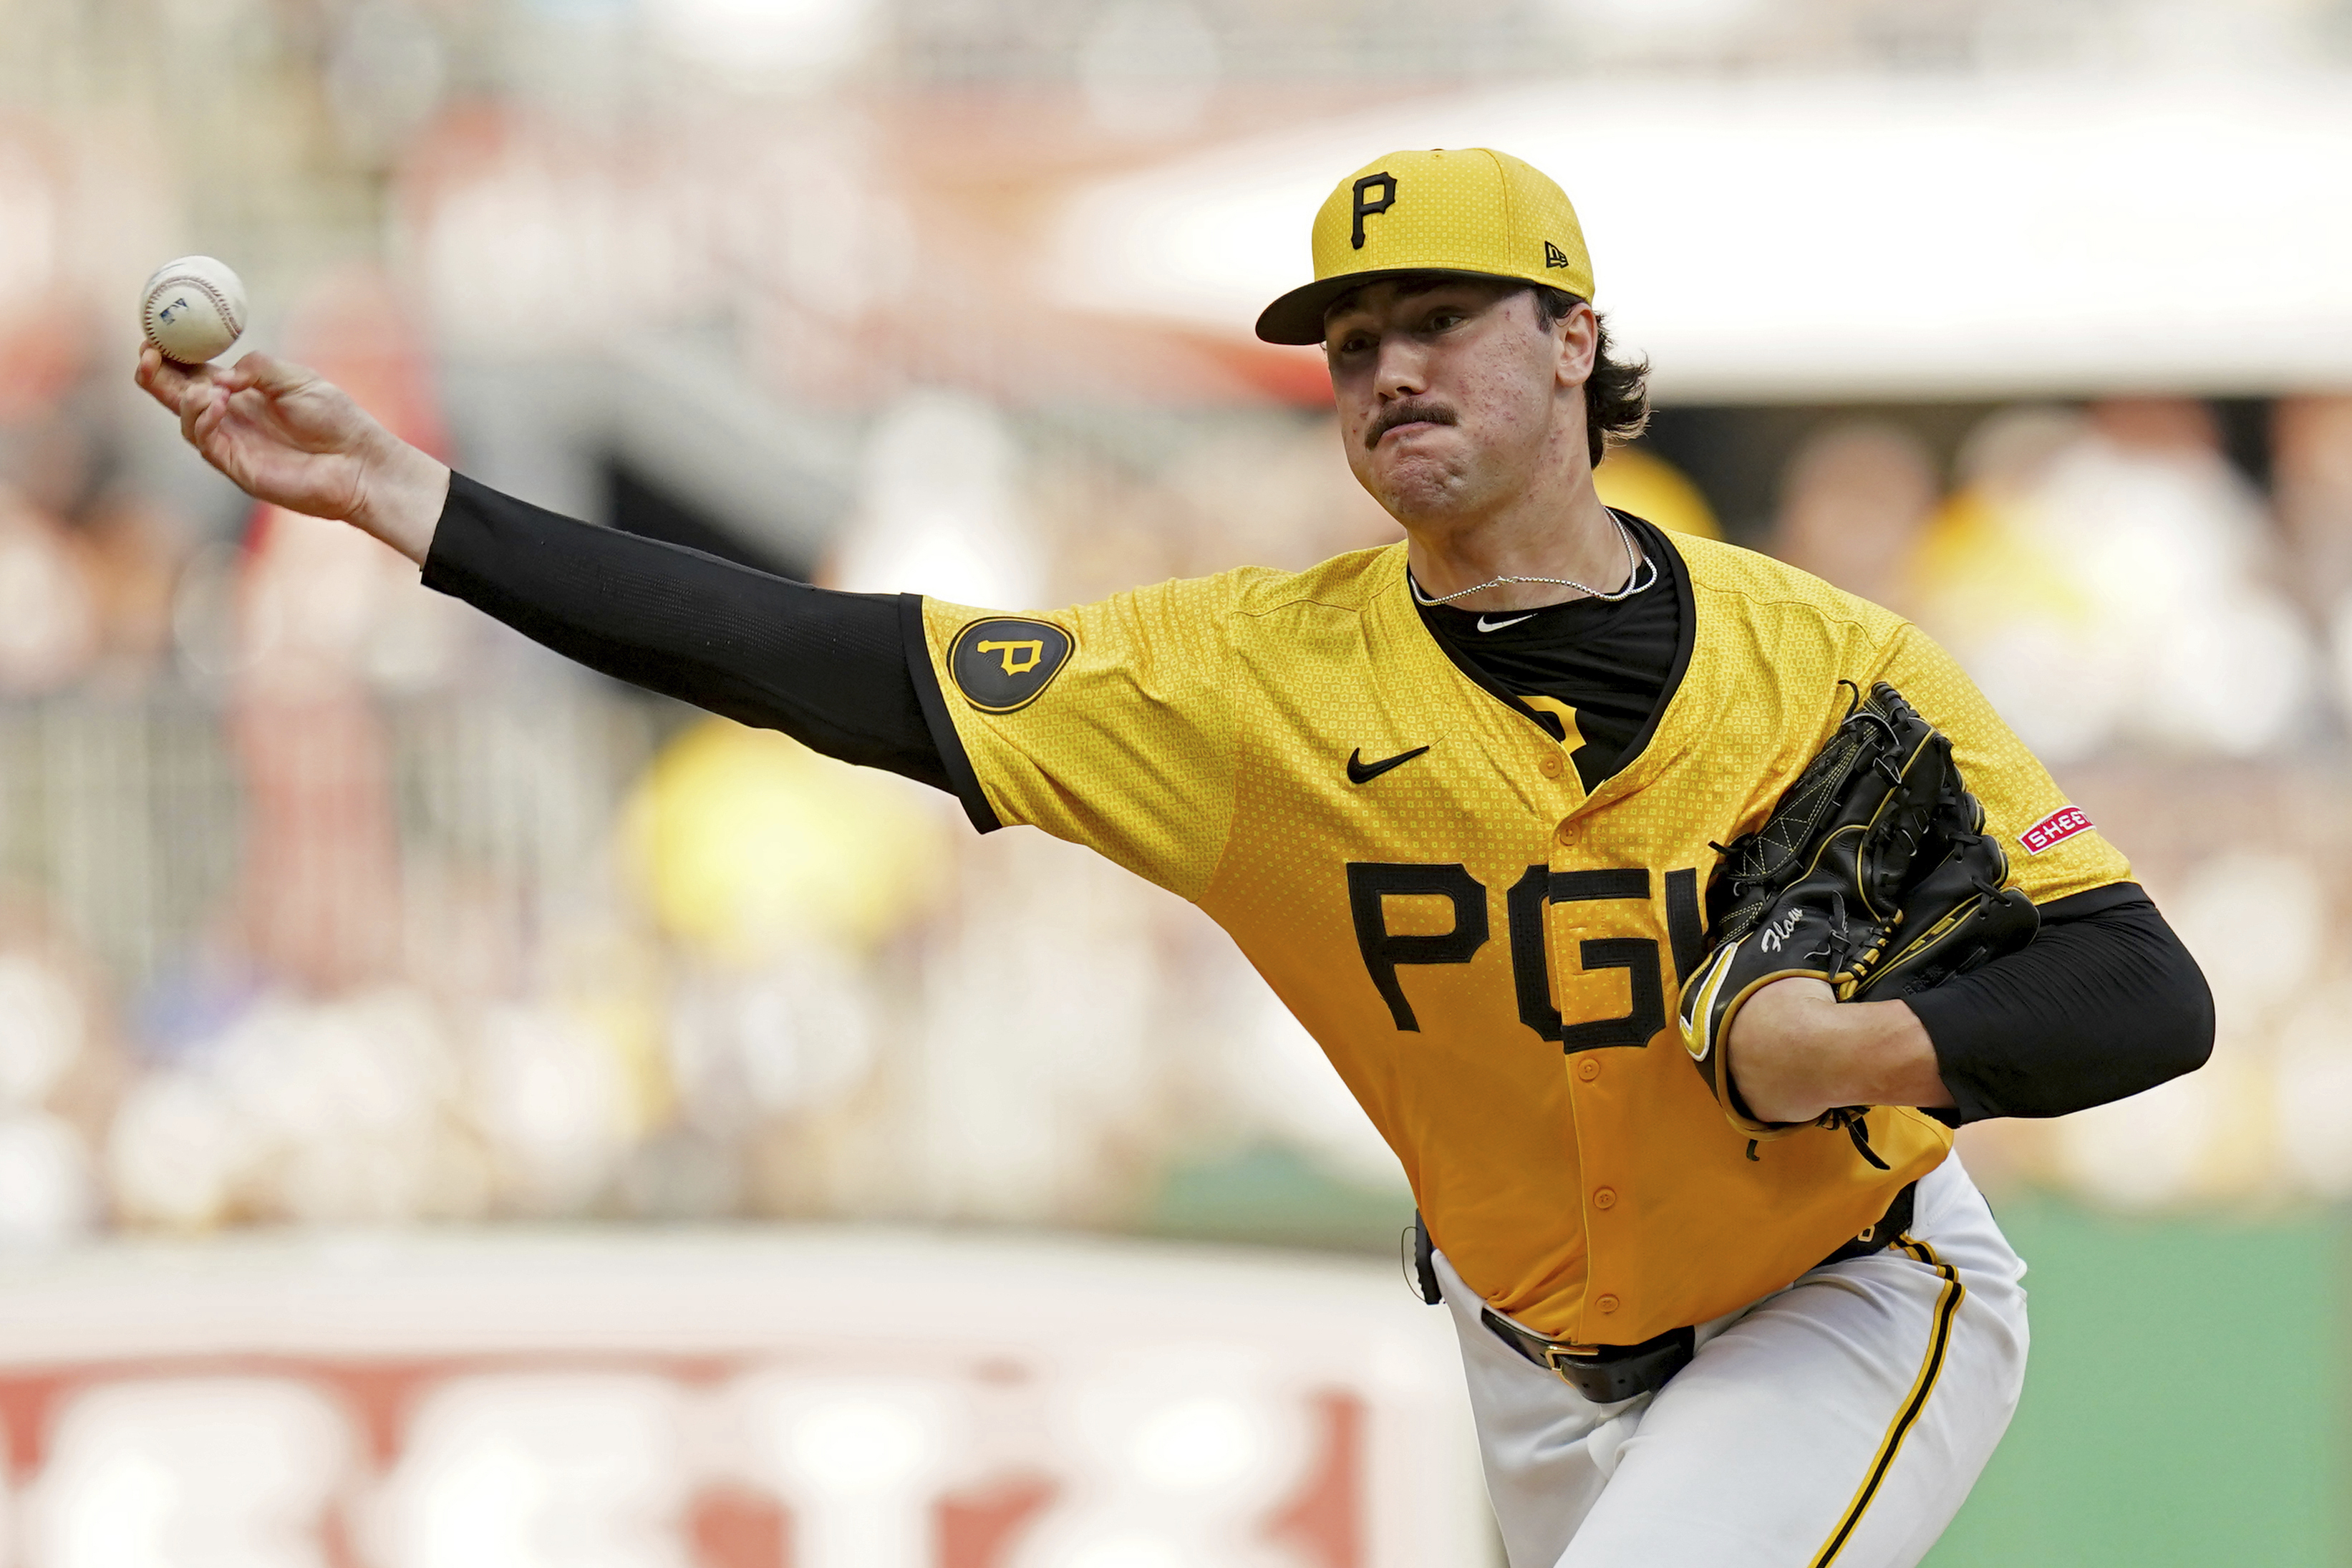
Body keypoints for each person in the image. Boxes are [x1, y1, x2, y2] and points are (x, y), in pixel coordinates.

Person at [139, 148, 2212, 1567]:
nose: (1390, 365)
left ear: (1576, 336)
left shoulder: (1822, 668)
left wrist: (1845, 1054)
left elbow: (2145, 989)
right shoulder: (1244, 687)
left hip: (1840, 1291)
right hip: (1529, 1356)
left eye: (1443, 316)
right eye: (1351, 336)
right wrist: (419, 506)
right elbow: (822, 660)